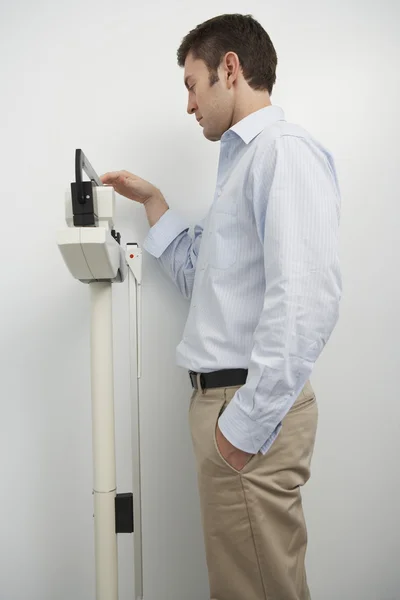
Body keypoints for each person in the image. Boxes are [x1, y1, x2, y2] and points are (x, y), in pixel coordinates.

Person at [101, 13, 342, 600]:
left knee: (256, 589)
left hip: (247, 411)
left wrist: (244, 428)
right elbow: (208, 280)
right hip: (232, 408)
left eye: (191, 83)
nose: (188, 104)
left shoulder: (282, 153)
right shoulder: (241, 166)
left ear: (228, 69)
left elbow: (307, 300)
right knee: (253, 586)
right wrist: (155, 202)